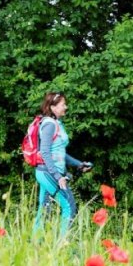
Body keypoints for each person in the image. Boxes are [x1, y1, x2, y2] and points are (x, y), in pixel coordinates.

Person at [33, 92, 92, 238]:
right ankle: (63, 245)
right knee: (69, 206)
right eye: (62, 105)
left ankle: (34, 245)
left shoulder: (57, 124)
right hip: (49, 173)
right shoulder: (49, 125)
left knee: (44, 208)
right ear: (52, 107)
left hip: (49, 172)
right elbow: (45, 152)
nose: (66, 107)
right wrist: (58, 176)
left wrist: (79, 164)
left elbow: (60, 153)